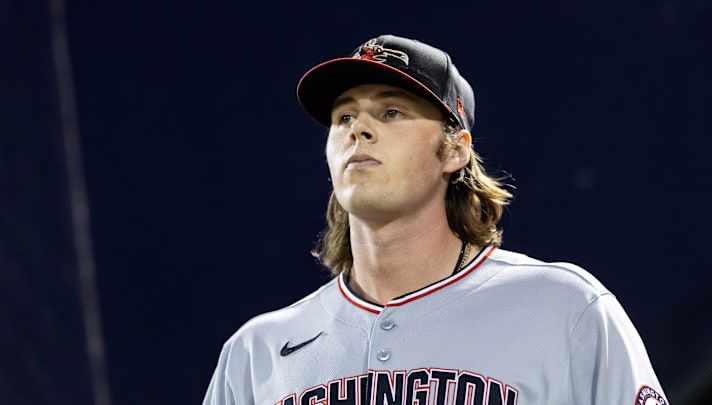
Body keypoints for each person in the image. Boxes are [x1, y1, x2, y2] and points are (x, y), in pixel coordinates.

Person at [202, 34, 668, 405]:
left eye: (391, 111)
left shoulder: (565, 310)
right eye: (343, 116)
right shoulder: (256, 354)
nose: (358, 130)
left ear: (454, 149)